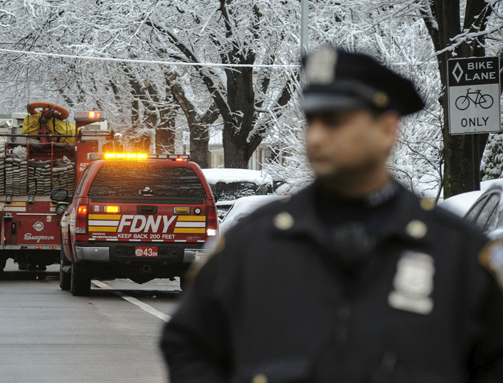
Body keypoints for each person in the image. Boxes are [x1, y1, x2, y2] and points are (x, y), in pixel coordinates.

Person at [160, 45, 503, 382]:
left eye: (335, 121)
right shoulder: (251, 246)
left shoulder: (456, 254)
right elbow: (189, 348)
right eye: (312, 120)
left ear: (387, 129)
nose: (317, 137)